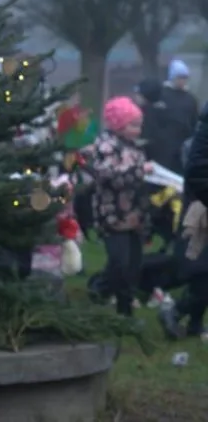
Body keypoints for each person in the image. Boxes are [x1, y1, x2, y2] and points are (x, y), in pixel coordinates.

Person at [86, 96, 149, 316]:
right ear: (119, 124)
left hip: (134, 214)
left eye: (139, 125)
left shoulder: (133, 146)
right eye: (133, 125)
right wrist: (141, 172)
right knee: (120, 262)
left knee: (133, 264)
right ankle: (101, 288)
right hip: (113, 214)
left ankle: (125, 309)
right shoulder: (106, 146)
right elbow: (109, 177)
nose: (138, 130)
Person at [158, 106, 208, 339]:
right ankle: (176, 311)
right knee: (202, 271)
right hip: (201, 209)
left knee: (202, 271)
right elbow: (198, 172)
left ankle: (194, 324)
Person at [161, 60, 199, 174]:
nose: (182, 80)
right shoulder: (163, 94)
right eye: (179, 77)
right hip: (166, 143)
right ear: (172, 76)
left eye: (185, 77)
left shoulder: (190, 98)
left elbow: (194, 120)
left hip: (184, 141)